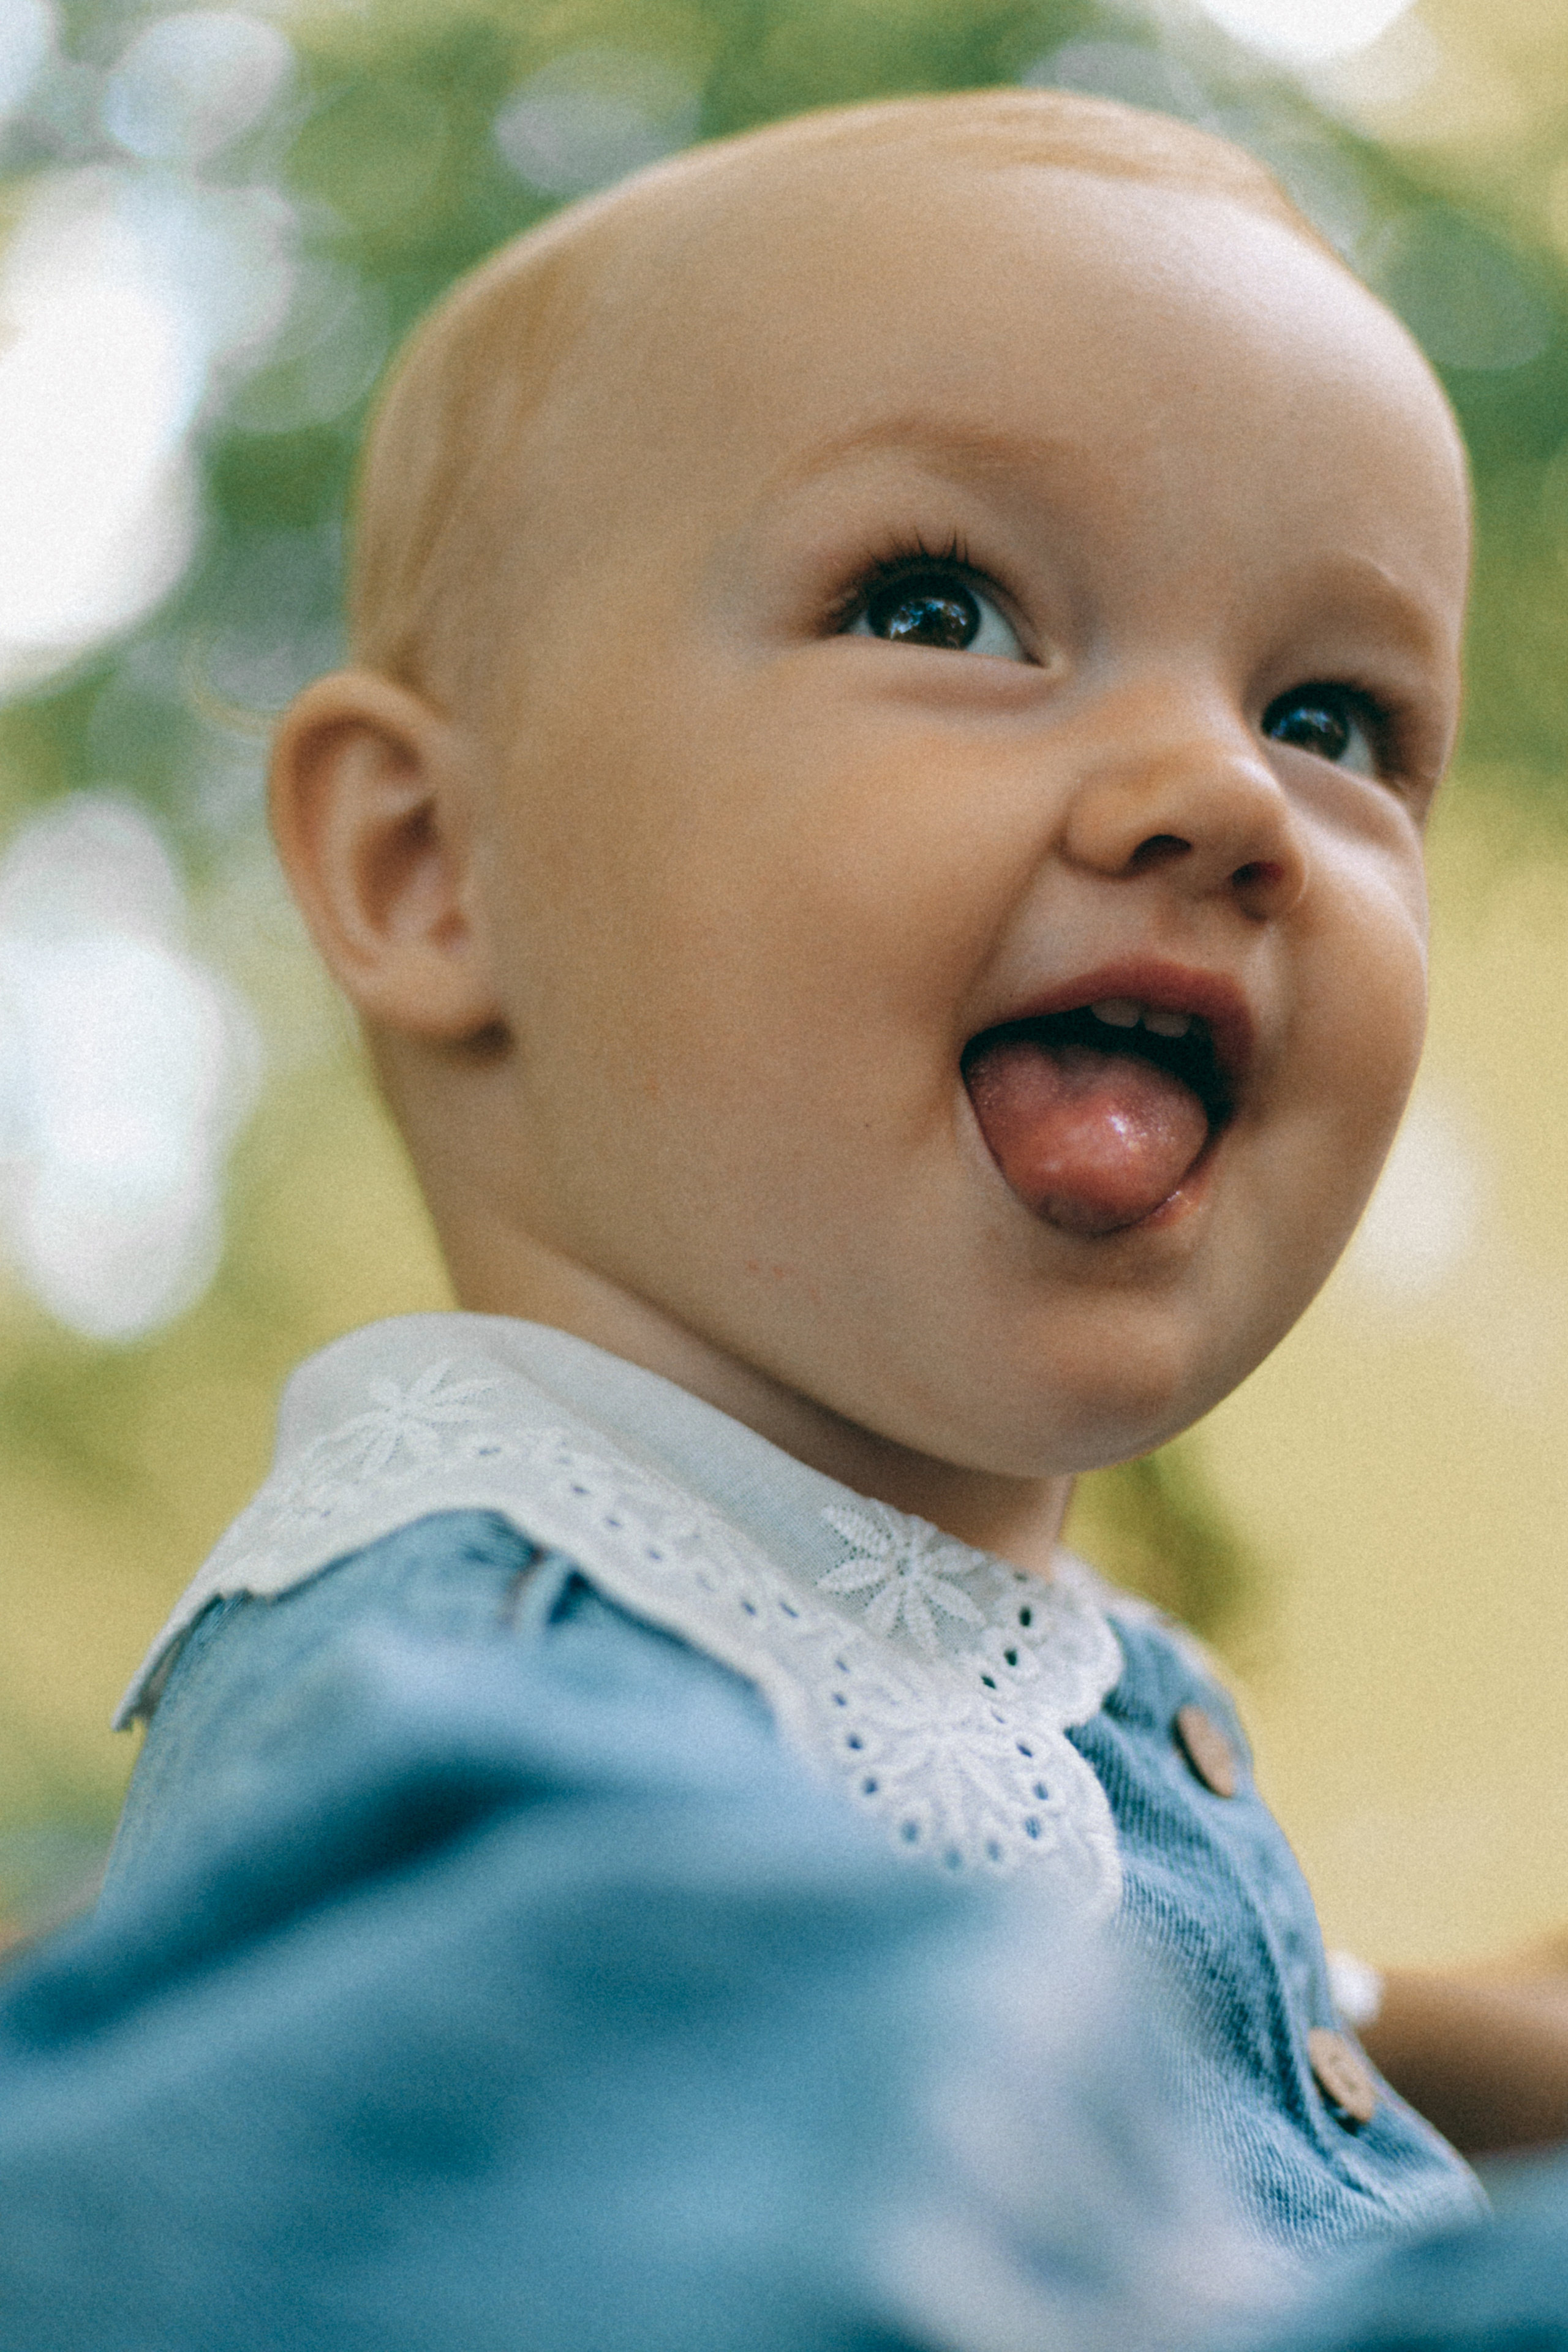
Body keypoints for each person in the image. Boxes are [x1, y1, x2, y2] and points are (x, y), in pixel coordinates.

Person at [3, 84, 1516, 2342]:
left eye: (1335, 716)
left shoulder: (914, 1678)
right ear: (431, 869)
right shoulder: (487, 1709)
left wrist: (1428, 2057)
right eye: (944, 608)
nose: (1225, 790)